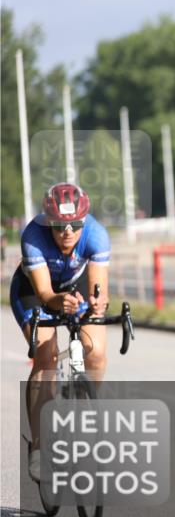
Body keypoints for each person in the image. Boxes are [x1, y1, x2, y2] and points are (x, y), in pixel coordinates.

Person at [10, 183, 110, 482]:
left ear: (84, 220)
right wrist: (58, 302)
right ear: (48, 221)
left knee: (97, 349)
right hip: (34, 291)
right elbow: (44, 292)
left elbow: (99, 289)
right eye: (60, 226)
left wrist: (97, 302)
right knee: (46, 356)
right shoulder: (33, 237)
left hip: (74, 286)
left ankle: (88, 406)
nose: (68, 232)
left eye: (75, 224)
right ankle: (40, 448)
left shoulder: (97, 235)